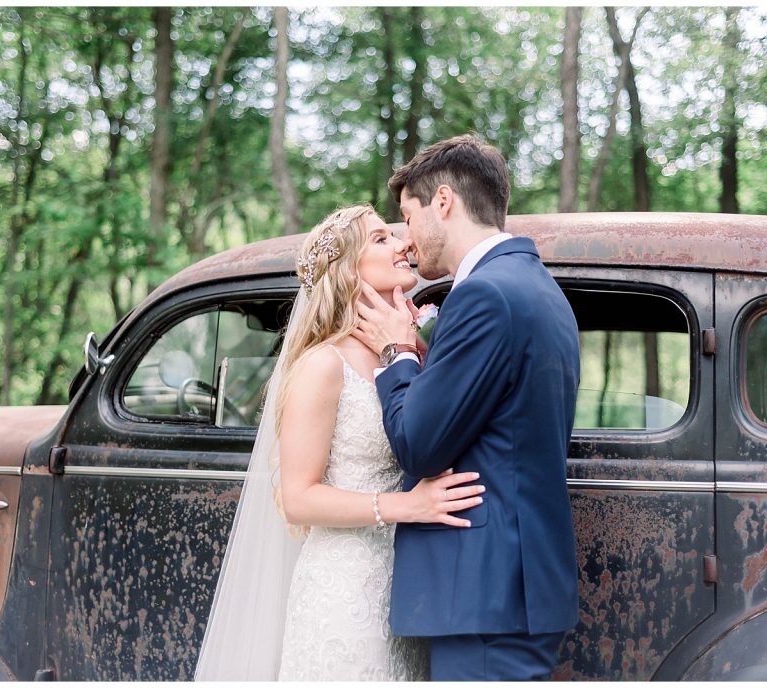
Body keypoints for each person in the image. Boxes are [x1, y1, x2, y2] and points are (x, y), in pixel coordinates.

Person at [194, 204, 484, 681]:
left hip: (407, 587)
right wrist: (407, 506)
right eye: (381, 239)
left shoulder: (409, 354)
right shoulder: (323, 366)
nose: (404, 244)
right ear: (348, 271)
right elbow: (299, 497)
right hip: (346, 589)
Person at [354, 134, 581, 681]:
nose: (406, 241)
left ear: (444, 202)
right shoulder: (539, 288)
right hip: (513, 586)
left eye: (407, 217)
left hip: (486, 590)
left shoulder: (484, 297)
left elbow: (420, 444)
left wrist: (397, 352)